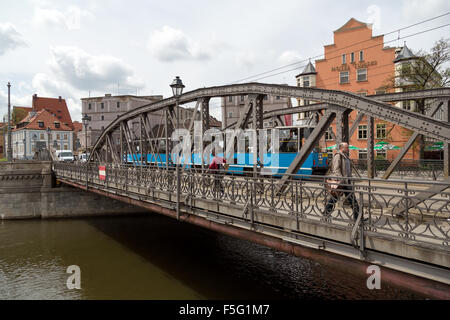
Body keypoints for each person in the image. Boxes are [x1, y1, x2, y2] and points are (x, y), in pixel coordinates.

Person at [324, 142, 360, 220]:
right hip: (343, 182)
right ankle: (358, 218)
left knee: (334, 198)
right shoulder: (338, 156)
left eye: (348, 147)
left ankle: (326, 213)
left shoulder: (345, 156)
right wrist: (342, 180)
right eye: (346, 147)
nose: (348, 149)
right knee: (352, 200)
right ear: (341, 148)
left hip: (346, 181)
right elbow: (336, 169)